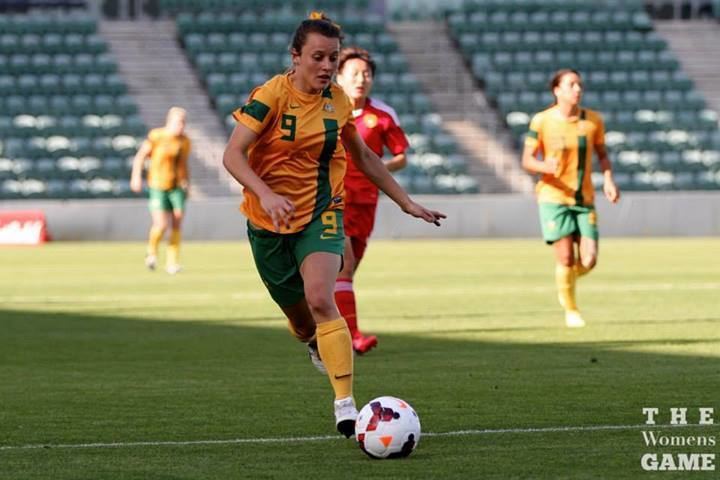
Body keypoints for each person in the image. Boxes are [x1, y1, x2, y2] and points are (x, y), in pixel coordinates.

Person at [222, 12, 445, 437]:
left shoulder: (338, 101)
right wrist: (266, 194)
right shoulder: (271, 95)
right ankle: (313, 342)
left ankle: (345, 404)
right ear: (296, 57)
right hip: (266, 220)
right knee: (303, 323)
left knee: (323, 299)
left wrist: (405, 202)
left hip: (321, 212)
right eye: (318, 57)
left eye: (332, 58)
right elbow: (233, 154)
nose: (326, 66)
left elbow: (362, 157)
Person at [522, 69, 620, 328]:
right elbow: (527, 159)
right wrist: (545, 167)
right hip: (553, 197)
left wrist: (608, 179)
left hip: (584, 198)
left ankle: (564, 281)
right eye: (571, 84)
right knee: (566, 258)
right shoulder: (541, 121)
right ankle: (571, 309)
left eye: (579, 85)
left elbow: (602, 155)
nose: (577, 89)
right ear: (557, 90)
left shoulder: (593, 121)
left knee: (589, 260)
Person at [334, 46, 408, 354]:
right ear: (339, 77)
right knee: (344, 267)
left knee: (345, 272)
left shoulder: (383, 115)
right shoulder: (326, 110)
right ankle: (351, 337)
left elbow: (401, 156)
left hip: (366, 201)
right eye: (354, 74)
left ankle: (318, 322)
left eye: (366, 74)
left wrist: (376, 168)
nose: (360, 79)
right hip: (332, 199)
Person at [130, 107, 191, 275]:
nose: (182, 126)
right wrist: (136, 176)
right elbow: (141, 156)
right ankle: (151, 252)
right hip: (158, 185)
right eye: (179, 122)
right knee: (162, 224)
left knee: (177, 222)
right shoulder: (156, 136)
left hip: (177, 186)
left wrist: (187, 183)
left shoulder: (185, 141)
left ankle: (172, 262)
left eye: (184, 123)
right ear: (170, 121)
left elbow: (184, 164)